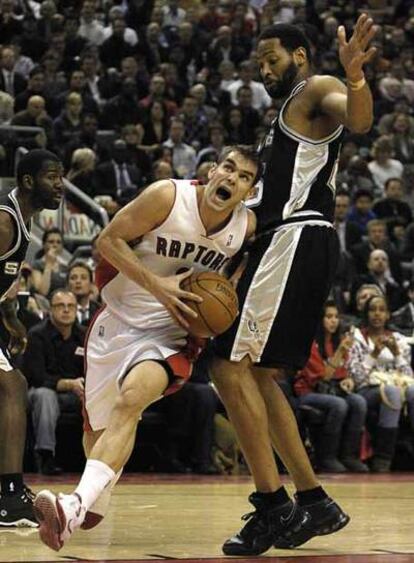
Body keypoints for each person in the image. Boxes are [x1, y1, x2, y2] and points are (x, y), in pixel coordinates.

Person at [33, 145, 259, 551]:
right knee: (97, 434)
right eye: (228, 168)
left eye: (243, 177)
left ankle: (73, 505)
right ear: (211, 170)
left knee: (131, 402)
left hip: (171, 333)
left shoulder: (244, 228)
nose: (231, 179)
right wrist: (158, 285)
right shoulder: (168, 198)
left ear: (248, 192)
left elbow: (234, 282)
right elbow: (107, 240)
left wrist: (220, 310)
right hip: (117, 320)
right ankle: (94, 497)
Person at [210, 15, 377, 556]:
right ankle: (313, 499)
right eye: (259, 63)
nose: (264, 70)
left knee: (226, 365)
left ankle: (272, 506)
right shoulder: (283, 116)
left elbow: (358, 121)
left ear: (300, 56)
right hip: (288, 242)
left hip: (296, 239)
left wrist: (353, 77)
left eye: (272, 59)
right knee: (256, 374)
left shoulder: (315, 89)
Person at [0, 148, 64, 526]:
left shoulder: (24, 222)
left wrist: (10, 319)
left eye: (61, 176)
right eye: (52, 176)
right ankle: (8, 497)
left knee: (12, 386)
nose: (60, 184)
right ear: (28, 181)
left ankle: (7, 490)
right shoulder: (5, 223)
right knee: (12, 386)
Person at [294, 301, 368, 473]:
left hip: (332, 390)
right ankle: (327, 457)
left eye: (336, 317)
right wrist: (339, 353)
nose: (333, 321)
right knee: (339, 404)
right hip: (307, 392)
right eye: (329, 317)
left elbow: (341, 374)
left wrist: (348, 380)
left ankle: (349, 455)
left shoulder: (337, 342)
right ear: (320, 320)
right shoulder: (311, 344)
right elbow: (324, 376)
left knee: (359, 402)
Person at [347, 295, 414, 472]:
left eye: (381, 310)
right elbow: (357, 378)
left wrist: (397, 354)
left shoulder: (398, 339)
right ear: (366, 313)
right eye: (373, 310)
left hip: (397, 385)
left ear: (388, 315)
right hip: (366, 390)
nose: (377, 314)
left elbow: (409, 376)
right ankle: (383, 459)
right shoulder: (357, 339)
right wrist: (374, 354)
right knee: (391, 392)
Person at [24, 289, 85, 476]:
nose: (66, 310)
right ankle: (46, 456)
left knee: (99, 396)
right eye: (60, 306)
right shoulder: (37, 335)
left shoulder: (84, 336)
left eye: (70, 306)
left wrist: (85, 386)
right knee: (44, 397)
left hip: (77, 392)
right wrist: (68, 384)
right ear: (50, 310)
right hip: (45, 391)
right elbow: (37, 377)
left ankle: (97, 459)